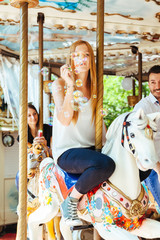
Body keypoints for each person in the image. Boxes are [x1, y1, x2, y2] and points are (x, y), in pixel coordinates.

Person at [52, 40, 115, 226]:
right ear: (71, 59)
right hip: (68, 151)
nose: (82, 59)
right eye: (77, 55)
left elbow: (99, 123)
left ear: (91, 59)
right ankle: (70, 201)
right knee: (105, 164)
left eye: (86, 54)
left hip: (91, 149)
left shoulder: (96, 86)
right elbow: (64, 119)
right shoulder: (60, 84)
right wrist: (71, 86)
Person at [134, 65, 160, 207]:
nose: (157, 86)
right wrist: (157, 167)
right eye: (153, 82)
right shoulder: (142, 107)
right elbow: (139, 141)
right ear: (148, 84)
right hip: (154, 165)